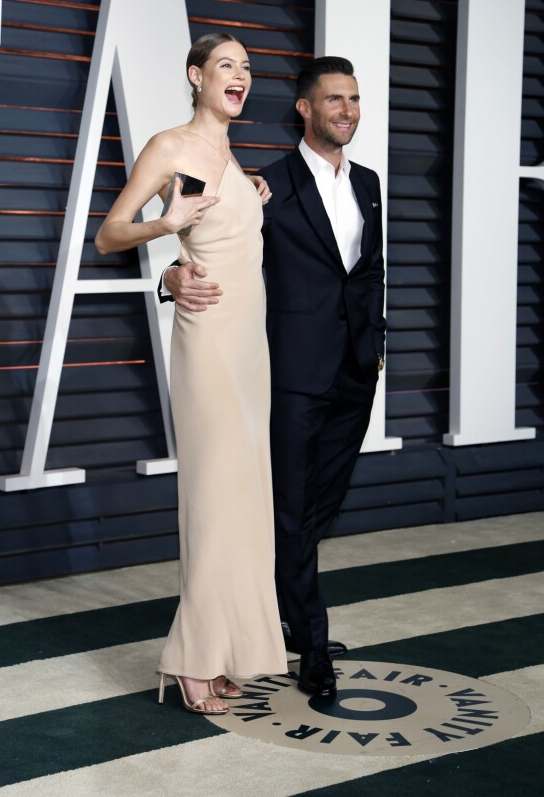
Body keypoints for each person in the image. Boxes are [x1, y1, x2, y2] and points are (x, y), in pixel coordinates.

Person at [163, 56, 386, 699]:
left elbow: (365, 271)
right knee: (288, 509)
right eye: (334, 100)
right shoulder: (268, 185)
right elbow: (214, 250)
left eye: (354, 99)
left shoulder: (369, 182)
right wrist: (171, 278)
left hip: (355, 371)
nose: (347, 111)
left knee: (317, 509)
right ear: (305, 109)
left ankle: (282, 610)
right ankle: (311, 643)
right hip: (288, 373)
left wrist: (375, 343)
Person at [95, 32, 287, 715]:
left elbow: (229, 233)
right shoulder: (170, 147)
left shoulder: (232, 160)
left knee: (242, 502)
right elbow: (110, 232)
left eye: (248, 69)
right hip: (206, 341)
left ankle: (230, 649)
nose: (241, 77)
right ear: (196, 75)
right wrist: (165, 230)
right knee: (211, 497)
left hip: (249, 348)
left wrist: (248, 190)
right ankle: (192, 660)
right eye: (227, 66)